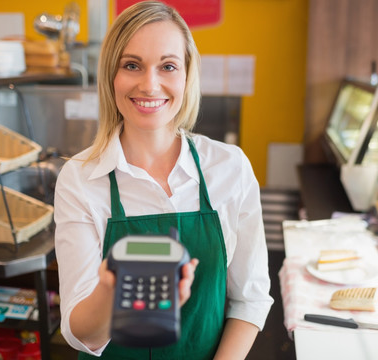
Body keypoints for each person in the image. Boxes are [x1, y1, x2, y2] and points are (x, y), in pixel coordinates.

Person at [54, 1, 274, 359]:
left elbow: (249, 299)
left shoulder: (229, 167)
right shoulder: (80, 179)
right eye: (132, 65)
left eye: (168, 66)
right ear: (112, 75)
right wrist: (112, 291)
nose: (150, 84)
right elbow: (81, 334)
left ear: (187, 76)